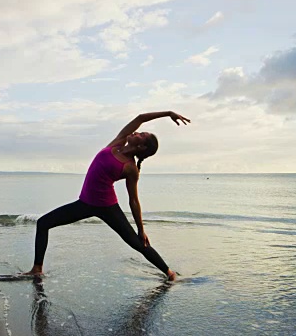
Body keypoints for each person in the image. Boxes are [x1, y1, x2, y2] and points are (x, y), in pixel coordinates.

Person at [23, 111, 190, 281]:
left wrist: (141, 228)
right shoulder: (118, 142)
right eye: (140, 131)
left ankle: (169, 273)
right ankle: (37, 269)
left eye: (142, 135)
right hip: (85, 203)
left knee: (137, 243)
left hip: (107, 207)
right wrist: (168, 113)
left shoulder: (130, 167)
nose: (138, 132)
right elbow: (140, 118)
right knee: (43, 223)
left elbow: (133, 200)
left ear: (142, 148)